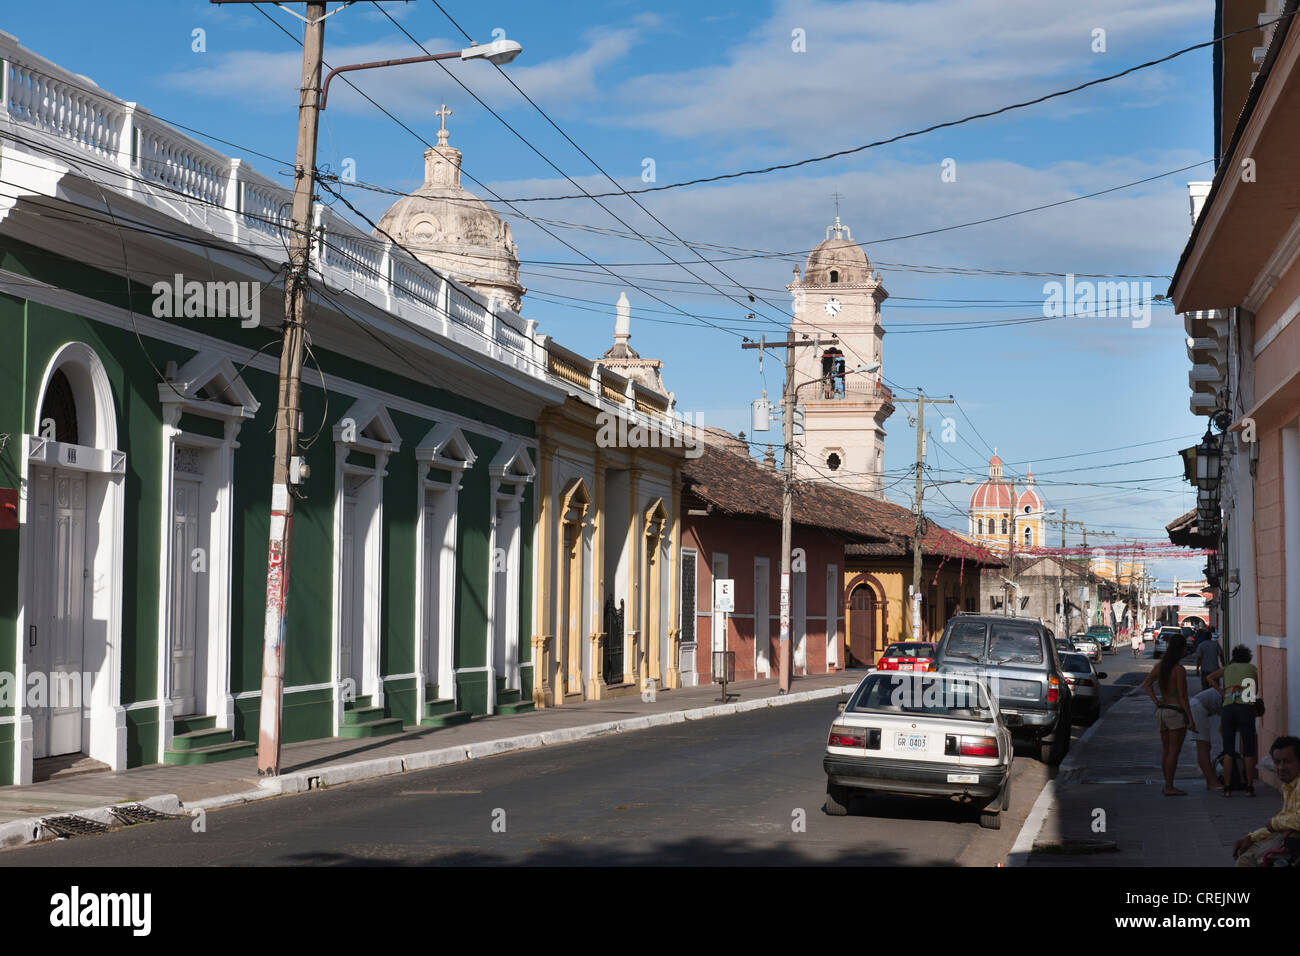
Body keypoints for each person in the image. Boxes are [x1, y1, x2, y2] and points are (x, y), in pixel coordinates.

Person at [1232, 736, 1300, 866]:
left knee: (1249, 861)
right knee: (1245, 858)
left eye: (1287, 761)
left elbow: (1289, 821)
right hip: (1287, 837)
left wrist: (1275, 823)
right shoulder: (1290, 785)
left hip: (1293, 842)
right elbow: (1284, 820)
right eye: (1277, 762)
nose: (1281, 767)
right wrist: (1252, 836)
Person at [1206, 644, 1261, 797]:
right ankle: (1249, 788)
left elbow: (1209, 678)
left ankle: (1228, 788)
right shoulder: (1252, 669)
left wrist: (1222, 692)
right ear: (1248, 657)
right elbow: (1254, 691)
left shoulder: (1227, 669)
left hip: (1228, 708)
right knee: (1249, 751)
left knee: (1228, 750)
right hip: (1246, 709)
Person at [1144, 633, 1192, 796]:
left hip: (1162, 711)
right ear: (1181, 650)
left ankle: (1167, 784)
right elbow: (1182, 696)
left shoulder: (1160, 666)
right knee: (1174, 751)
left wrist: (1156, 701)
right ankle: (1170, 786)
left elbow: (1147, 684)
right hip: (1175, 713)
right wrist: (1191, 719)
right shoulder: (1179, 670)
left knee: (1166, 751)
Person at [1188, 684, 1224, 792]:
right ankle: (1212, 782)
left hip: (1197, 707)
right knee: (1203, 747)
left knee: (1205, 747)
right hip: (1198, 708)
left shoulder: (1231, 691)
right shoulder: (1232, 697)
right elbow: (1222, 728)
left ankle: (1210, 781)